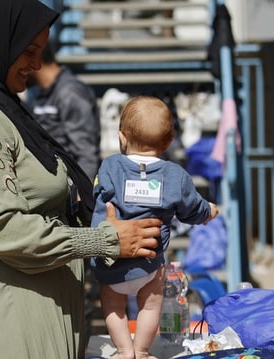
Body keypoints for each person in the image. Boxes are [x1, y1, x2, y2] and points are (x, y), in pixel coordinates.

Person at [0, 1, 163, 358]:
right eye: (28, 51)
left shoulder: (2, 107)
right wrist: (103, 240)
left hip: (28, 307)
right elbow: (4, 229)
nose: (37, 65)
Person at [90, 96, 219, 359]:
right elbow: (192, 209)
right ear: (169, 142)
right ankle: (143, 350)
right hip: (149, 264)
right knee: (150, 304)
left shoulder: (110, 166)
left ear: (122, 138)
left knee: (113, 306)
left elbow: (98, 196)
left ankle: (125, 351)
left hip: (111, 260)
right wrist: (208, 212)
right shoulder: (175, 176)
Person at [29, 41, 101, 179]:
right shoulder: (40, 92)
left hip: (69, 189)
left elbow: (86, 153)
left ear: (35, 58)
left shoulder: (70, 93)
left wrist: (81, 195)